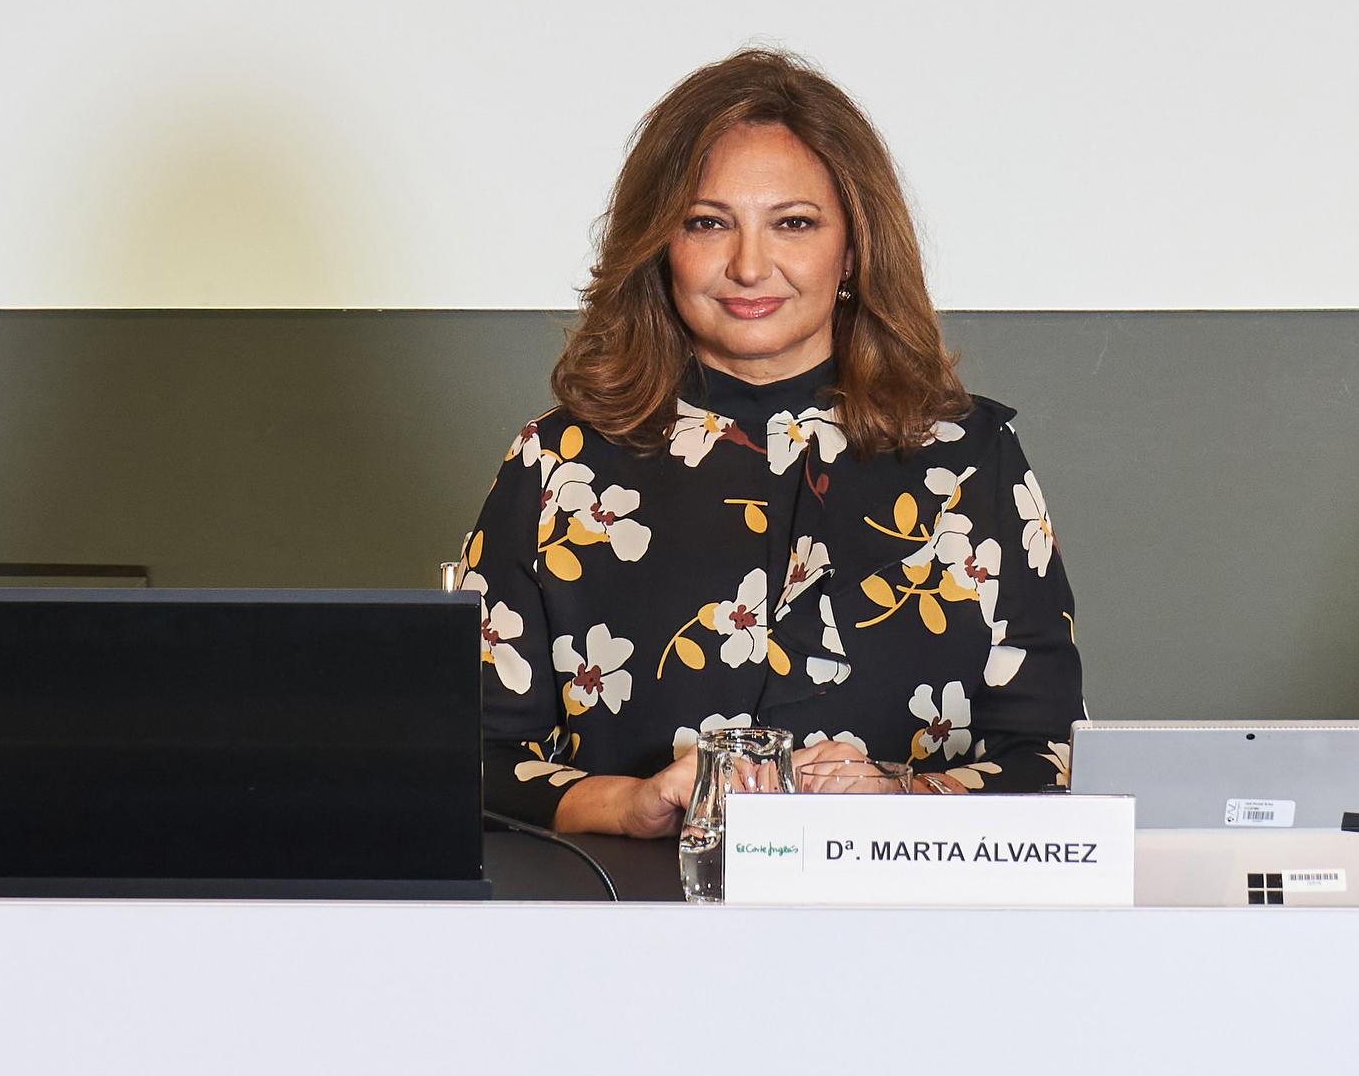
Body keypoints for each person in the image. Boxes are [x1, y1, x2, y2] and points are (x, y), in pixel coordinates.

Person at [462, 49, 1082, 835]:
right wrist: (631, 803)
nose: (749, 266)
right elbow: (467, 757)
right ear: (659, 248)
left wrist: (901, 798)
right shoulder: (557, 466)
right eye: (708, 223)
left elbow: (1054, 755)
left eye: (793, 223)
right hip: (625, 930)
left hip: (913, 935)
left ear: (852, 250)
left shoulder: (971, 459)